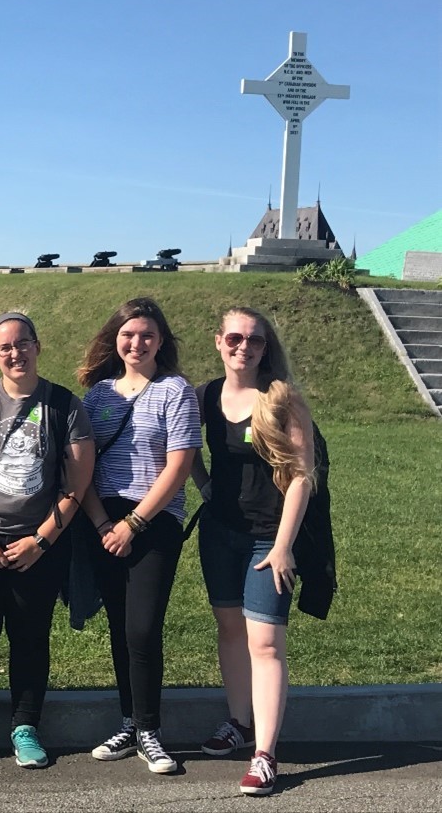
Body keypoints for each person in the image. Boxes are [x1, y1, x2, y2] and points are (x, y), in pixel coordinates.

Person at [0, 311, 94, 769]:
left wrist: (42, 541)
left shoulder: (65, 405)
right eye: (6, 347)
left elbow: (76, 484)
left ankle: (25, 726)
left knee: (30, 636)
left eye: (23, 343)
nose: (16, 353)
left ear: (37, 346)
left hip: (37, 547)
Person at [190, 307, 315, 796]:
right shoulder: (204, 396)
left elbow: (302, 475)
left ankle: (265, 754)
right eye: (236, 338)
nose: (245, 347)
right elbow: (184, 450)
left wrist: (284, 546)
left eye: (256, 341)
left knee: (265, 643)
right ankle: (237, 722)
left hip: (269, 537)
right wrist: (203, 487)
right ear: (219, 341)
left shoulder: (282, 399)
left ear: (266, 348)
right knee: (229, 630)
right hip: (220, 534)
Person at [77, 297, 201, 775]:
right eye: (128, 335)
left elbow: (180, 465)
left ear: (161, 341)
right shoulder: (97, 395)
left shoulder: (175, 391)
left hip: (154, 521)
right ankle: (129, 721)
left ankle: (150, 728)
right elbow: (81, 468)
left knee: (143, 628)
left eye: (147, 335)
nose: (137, 343)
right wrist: (104, 523)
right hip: (103, 521)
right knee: (118, 627)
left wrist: (134, 524)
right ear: (116, 339)